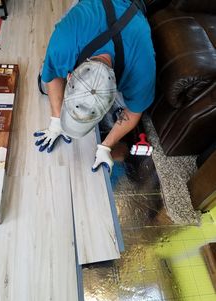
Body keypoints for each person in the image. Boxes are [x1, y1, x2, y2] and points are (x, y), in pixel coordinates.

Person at [34, 0, 156, 173]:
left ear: (114, 94)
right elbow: (52, 75)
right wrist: (56, 121)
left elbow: (134, 111)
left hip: (132, 14)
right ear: (70, 75)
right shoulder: (65, 41)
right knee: (44, 83)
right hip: (89, 11)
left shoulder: (141, 68)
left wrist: (107, 146)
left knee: (111, 120)